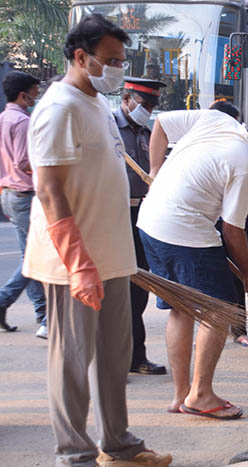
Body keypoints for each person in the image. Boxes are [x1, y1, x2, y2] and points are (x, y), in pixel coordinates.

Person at [22, 13, 172, 466]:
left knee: (114, 358)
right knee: (72, 364)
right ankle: (76, 455)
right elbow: (48, 190)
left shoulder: (97, 106)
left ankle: (119, 444)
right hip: (74, 264)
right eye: (110, 60)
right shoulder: (58, 107)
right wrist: (79, 264)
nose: (117, 69)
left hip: (111, 256)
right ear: (81, 57)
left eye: (121, 60)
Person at [138, 109, 248, 419]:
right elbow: (232, 229)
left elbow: (160, 123)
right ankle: (200, 395)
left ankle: (182, 395)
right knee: (220, 310)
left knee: (181, 309)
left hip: (150, 223)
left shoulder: (218, 120)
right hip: (184, 229)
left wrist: (155, 169)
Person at [115, 76, 168, 375]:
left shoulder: (147, 133)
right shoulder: (110, 129)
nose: (146, 110)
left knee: (139, 287)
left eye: (151, 106)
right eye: (143, 104)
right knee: (115, 289)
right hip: (115, 214)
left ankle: (137, 357)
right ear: (126, 99)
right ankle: (116, 360)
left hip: (142, 216)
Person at [208, 99, 248, 347]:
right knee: (212, 277)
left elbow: (244, 192)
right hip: (208, 222)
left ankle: (239, 329)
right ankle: (209, 329)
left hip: (233, 220)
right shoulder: (204, 144)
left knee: (239, 274)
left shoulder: (238, 150)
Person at [0, 71, 47, 336]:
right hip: (24, 195)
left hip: (9, 193)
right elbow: (23, 161)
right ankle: (5, 299)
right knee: (37, 256)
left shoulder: (4, 118)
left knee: (28, 255)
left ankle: (43, 316)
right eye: (35, 91)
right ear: (23, 94)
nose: (36, 97)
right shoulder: (22, 122)